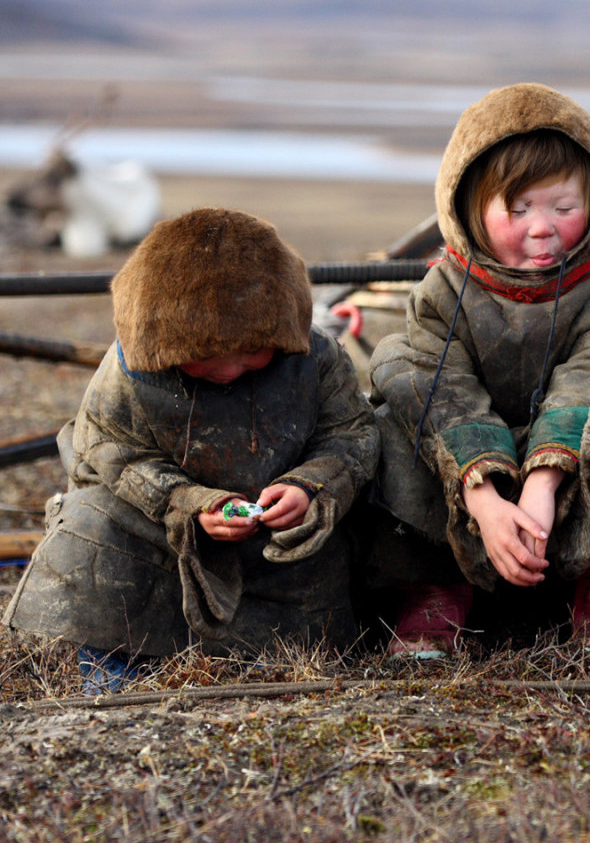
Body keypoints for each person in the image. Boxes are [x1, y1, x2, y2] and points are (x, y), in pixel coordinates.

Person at [3, 208, 378, 693]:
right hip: (163, 542)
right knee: (91, 517)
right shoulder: (130, 368)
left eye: (249, 354)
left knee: (357, 528)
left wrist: (309, 487)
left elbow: (353, 433)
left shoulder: (316, 357)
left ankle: (270, 651)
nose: (227, 370)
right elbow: (109, 450)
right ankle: (115, 660)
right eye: (203, 358)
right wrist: (190, 504)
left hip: (281, 546)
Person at [366, 83, 590, 657]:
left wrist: (544, 477)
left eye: (564, 208)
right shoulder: (441, 291)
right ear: (468, 210)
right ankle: (434, 593)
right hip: (473, 472)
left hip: (561, 475)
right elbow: (432, 383)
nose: (543, 227)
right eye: (518, 208)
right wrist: (481, 494)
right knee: (392, 432)